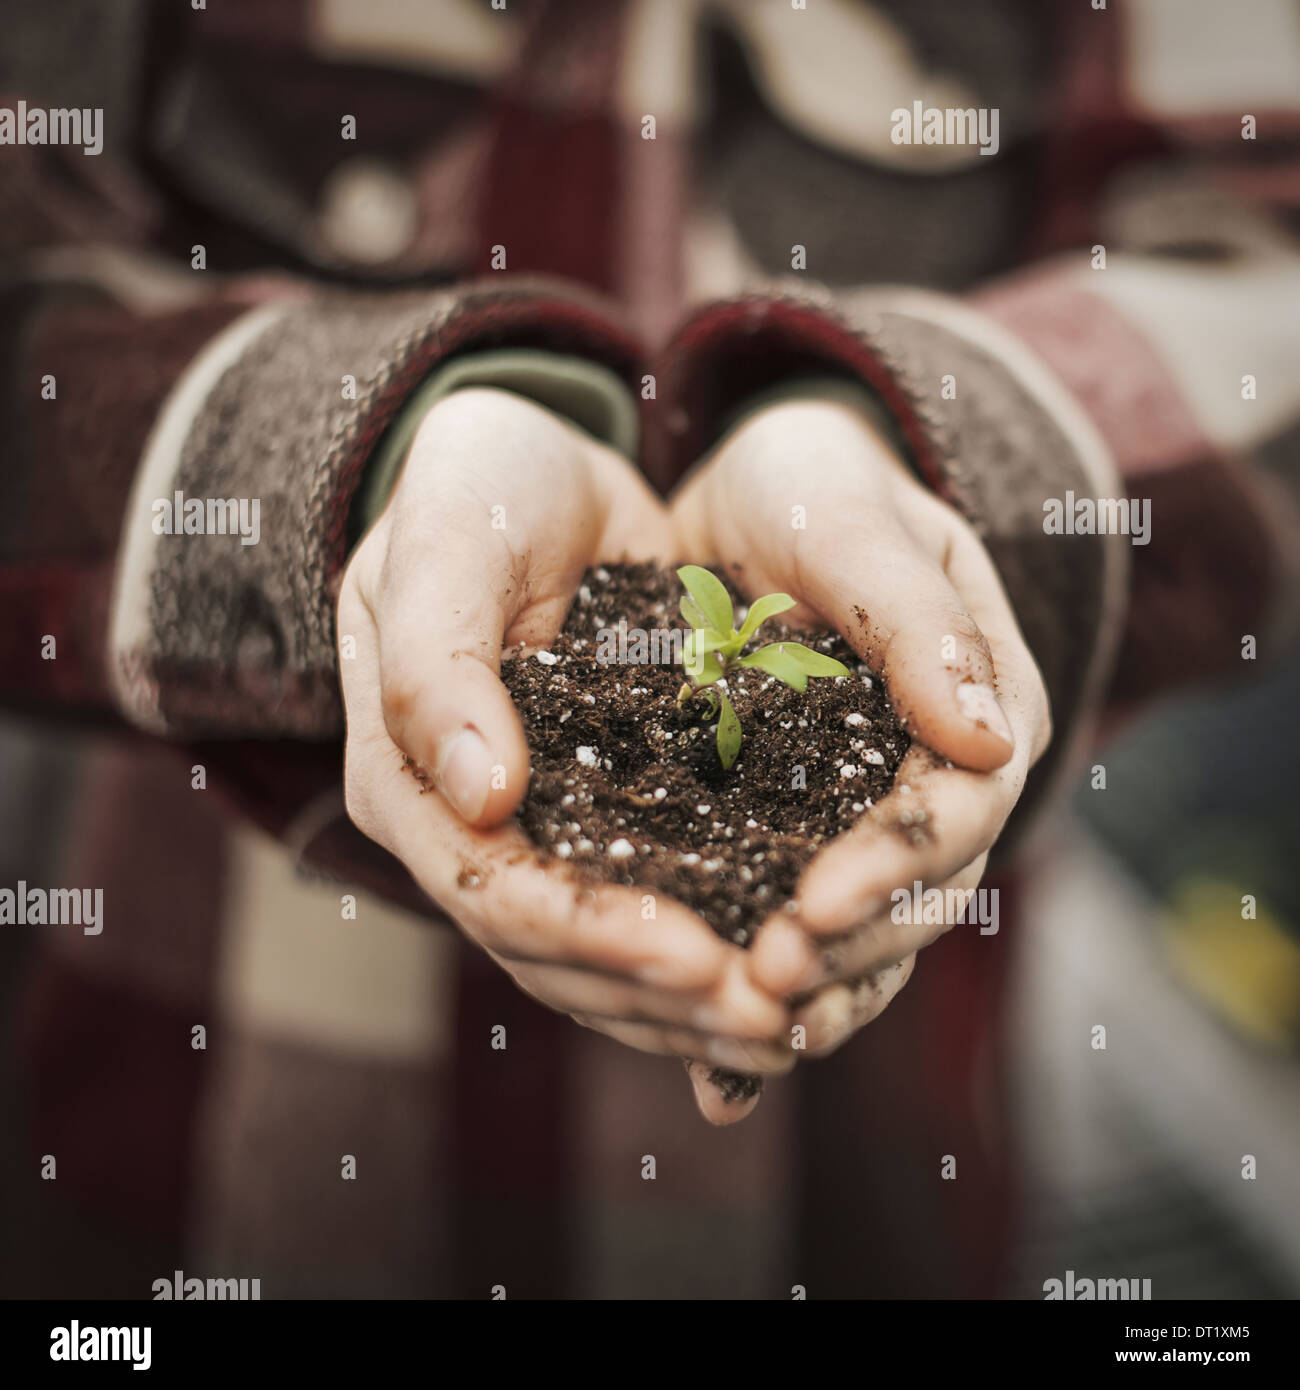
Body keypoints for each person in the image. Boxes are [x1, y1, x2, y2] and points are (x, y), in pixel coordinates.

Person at [2, 0, 1295, 1298]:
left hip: (844, 1165)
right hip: (180, 1098)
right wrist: (355, 468)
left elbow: (1261, 251)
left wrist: (909, 448)